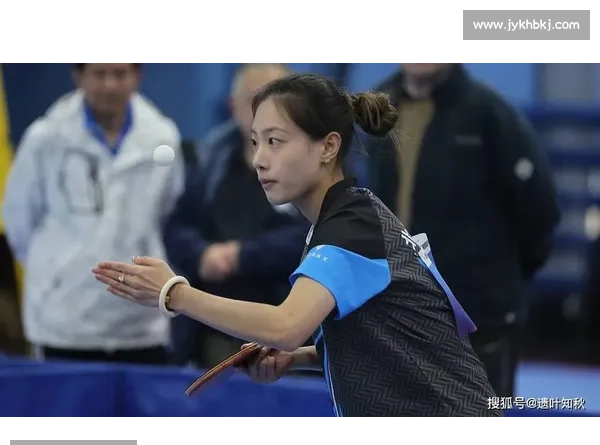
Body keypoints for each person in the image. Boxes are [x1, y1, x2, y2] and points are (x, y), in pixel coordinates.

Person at [92, 73, 500, 417]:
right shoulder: (347, 216)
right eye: (255, 142)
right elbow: (387, 336)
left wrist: (174, 293)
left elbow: (285, 326)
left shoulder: (351, 229)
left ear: (328, 147)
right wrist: (303, 356)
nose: (259, 159)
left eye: (275, 141)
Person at [357, 61, 560, 399]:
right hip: (395, 308)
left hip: (478, 316)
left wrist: (496, 280)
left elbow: (539, 209)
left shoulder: (489, 113)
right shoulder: (377, 106)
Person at [3, 61, 183, 365]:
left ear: (137, 76)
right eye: (99, 74)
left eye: (120, 74)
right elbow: (20, 219)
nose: (110, 85)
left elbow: (167, 208)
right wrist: (60, 270)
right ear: (78, 76)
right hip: (63, 322)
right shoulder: (45, 138)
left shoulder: (163, 138)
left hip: (140, 323)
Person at [164, 63, 310, 367]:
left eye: (277, 101)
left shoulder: (310, 164)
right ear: (233, 107)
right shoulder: (208, 160)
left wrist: (241, 255)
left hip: (285, 327)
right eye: (255, 101)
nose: (265, 112)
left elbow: (315, 233)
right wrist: (202, 255)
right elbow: (176, 226)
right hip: (211, 329)